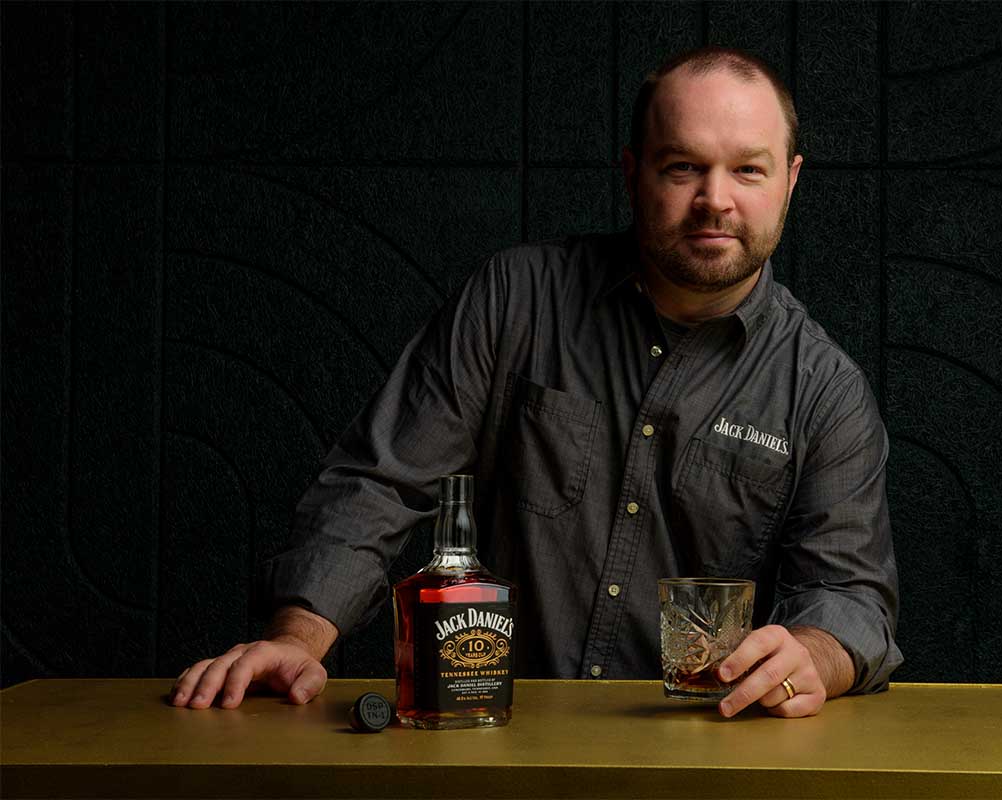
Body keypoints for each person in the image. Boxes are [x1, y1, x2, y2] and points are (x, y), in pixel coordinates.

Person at [171, 45, 901, 720]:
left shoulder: (824, 392)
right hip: (491, 736)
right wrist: (298, 639)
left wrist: (813, 653)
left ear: (790, 179)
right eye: (682, 167)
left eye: (748, 169)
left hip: (697, 753)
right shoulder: (514, 300)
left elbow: (851, 595)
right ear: (632, 171)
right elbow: (379, 479)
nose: (715, 199)